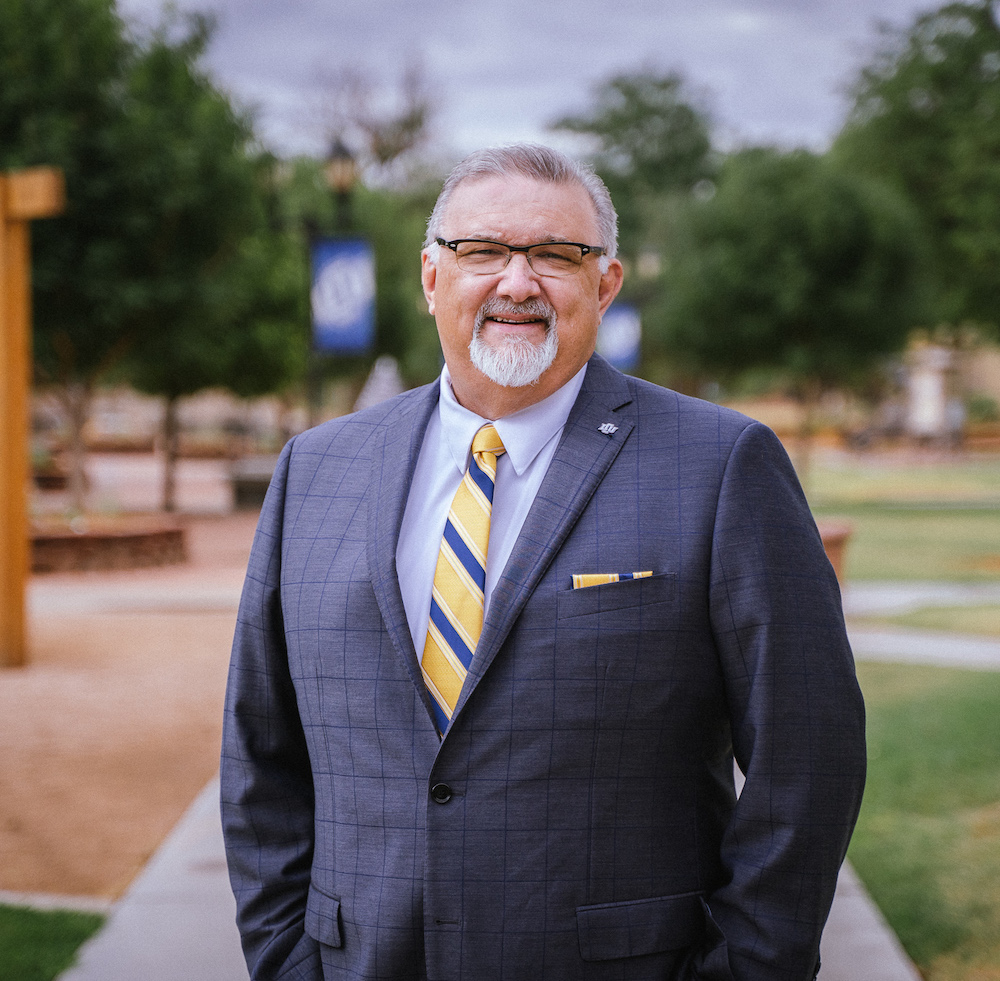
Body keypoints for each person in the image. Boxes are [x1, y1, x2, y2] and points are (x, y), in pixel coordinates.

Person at [221, 143, 866, 981]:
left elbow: (806, 756)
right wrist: (285, 961)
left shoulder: (720, 464)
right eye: (482, 251)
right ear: (430, 277)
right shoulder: (315, 468)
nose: (517, 282)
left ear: (605, 284)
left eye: (557, 255)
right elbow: (259, 750)